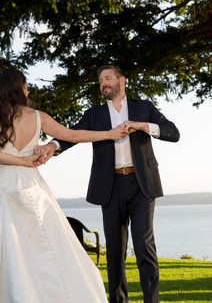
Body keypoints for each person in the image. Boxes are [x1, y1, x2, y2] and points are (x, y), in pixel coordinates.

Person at [0, 68, 128, 302]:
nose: (28, 91)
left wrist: (21, 160)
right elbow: (73, 135)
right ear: (20, 89)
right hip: (31, 185)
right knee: (42, 244)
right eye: (26, 86)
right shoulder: (37, 116)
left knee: (0, 245)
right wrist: (108, 134)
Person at [35, 65, 180, 303]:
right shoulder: (94, 115)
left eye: (108, 78)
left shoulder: (144, 108)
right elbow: (71, 135)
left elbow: (173, 133)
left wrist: (141, 126)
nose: (103, 83)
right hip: (110, 187)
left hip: (141, 185)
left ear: (122, 80)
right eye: (100, 80)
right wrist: (52, 146)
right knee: (115, 251)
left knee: (144, 247)